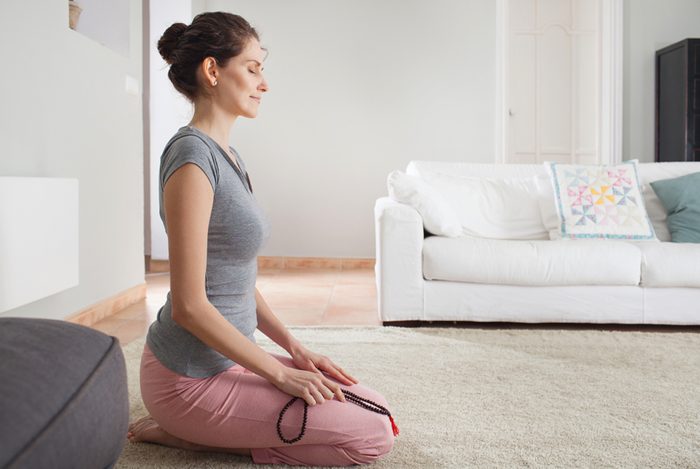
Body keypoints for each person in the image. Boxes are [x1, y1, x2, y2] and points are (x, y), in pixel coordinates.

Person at [126, 11, 396, 466]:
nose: (263, 83)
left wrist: (294, 348)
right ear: (213, 71)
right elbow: (191, 305)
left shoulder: (228, 155)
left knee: (378, 411)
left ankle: (209, 429)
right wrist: (277, 374)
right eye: (252, 68)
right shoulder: (192, 159)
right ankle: (189, 434)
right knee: (371, 439)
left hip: (233, 361)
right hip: (187, 379)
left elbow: (234, 279)